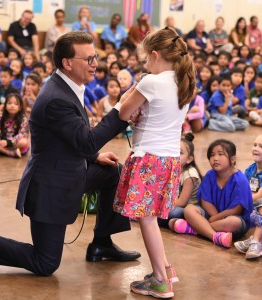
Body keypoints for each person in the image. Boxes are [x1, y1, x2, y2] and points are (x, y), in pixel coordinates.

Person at [0, 31, 140, 276]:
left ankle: (101, 244)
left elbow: (68, 138)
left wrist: (94, 158)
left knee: (112, 171)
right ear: (67, 63)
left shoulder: (69, 85)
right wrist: (121, 109)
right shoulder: (56, 98)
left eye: (95, 57)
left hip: (70, 173)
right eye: (89, 59)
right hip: (50, 186)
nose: (95, 63)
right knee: (46, 263)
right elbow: (86, 142)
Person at [113, 27, 195, 298]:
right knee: (150, 218)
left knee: (146, 220)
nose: (146, 64)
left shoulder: (151, 81)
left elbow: (124, 111)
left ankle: (161, 280)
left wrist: (134, 104)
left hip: (149, 159)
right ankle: (165, 268)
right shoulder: (183, 82)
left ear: (156, 55)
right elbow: (157, 114)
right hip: (169, 159)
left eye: (147, 58)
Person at [170, 139, 253, 249]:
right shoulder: (210, 175)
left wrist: (214, 219)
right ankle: (215, 236)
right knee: (189, 209)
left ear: (233, 159)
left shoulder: (240, 179)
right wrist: (214, 217)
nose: (215, 158)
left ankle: (194, 228)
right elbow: (205, 201)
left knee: (233, 222)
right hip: (212, 216)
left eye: (220, 154)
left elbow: (236, 210)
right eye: (212, 155)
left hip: (231, 218)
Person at [160, 133, 201, 228]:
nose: (175, 155)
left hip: (188, 209)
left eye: (180, 152)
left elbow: (182, 203)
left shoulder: (190, 174)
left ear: (189, 159)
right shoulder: (169, 169)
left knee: (174, 213)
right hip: (172, 204)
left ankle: (186, 224)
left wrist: (161, 204)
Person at [0, 93, 29, 158]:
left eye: (16, 104)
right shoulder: (2, 117)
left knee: (24, 142)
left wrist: (8, 142)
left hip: (13, 143)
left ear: (20, 108)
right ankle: (8, 152)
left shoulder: (23, 119)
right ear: (5, 106)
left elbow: (21, 134)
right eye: (9, 103)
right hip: (1, 141)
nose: (12, 106)